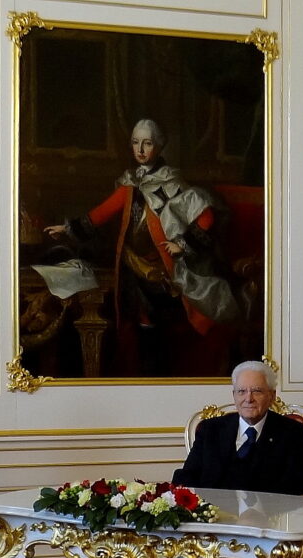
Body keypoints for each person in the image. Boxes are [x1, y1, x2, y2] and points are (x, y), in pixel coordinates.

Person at [44, 118, 238, 376]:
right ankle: (146, 374)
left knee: (163, 321)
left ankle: (159, 374)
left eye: (147, 143)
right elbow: (102, 213)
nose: (141, 149)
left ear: (159, 146)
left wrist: (181, 245)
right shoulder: (131, 182)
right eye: (136, 143)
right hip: (132, 265)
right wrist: (68, 229)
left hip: (164, 268)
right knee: (139, 320)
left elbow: (206, 217)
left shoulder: (172, 183)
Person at [158, 360, 303, 558]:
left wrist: (256, 509)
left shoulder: (290, 432)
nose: (248, 398)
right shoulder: (212, 429)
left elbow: (296, 483)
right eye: (241, 391)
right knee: (197, 556)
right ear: (233, 395)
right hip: (212, 523)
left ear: (272, 396)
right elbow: (187, 475)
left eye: (257, 391)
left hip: (262, 528)